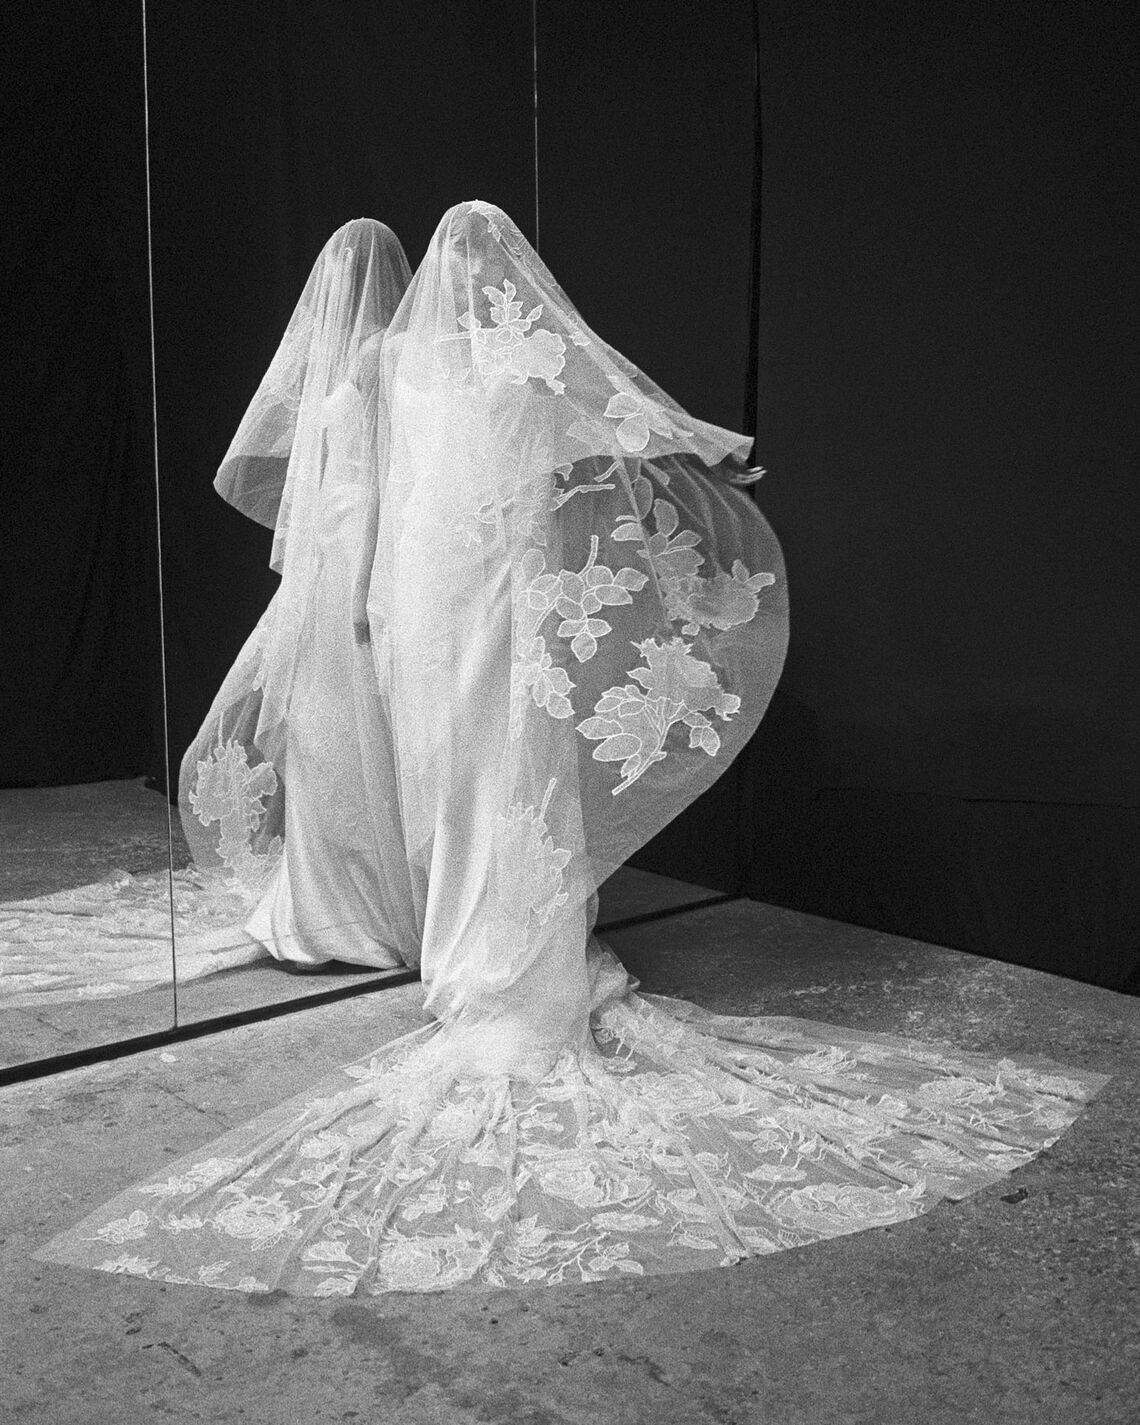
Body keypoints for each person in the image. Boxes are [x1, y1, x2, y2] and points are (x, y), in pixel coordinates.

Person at [36, 203, 1106, 1295]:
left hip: (430, 611)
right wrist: (705, 454)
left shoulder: (381, 369)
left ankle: (449, 931)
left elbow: (390, 500)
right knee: (498, 774)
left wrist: (365, 610)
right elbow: (607, 418)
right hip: (477, 604)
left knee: (467, 777)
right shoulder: (480, 359)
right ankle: (479, 940)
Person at [179, 217, 418, 973]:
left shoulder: (383, 356)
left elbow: (383, 481)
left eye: (343, 272)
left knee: (359, 728)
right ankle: (320, 899)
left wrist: (365, 584)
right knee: (319, 731)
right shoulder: (341, 361)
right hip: (328, 556)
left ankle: (368, 906)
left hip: (358, 556)